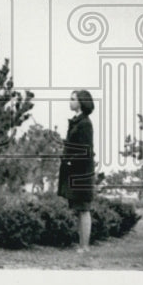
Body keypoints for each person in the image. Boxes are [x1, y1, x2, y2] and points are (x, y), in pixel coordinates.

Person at [58, 89, 95, 252]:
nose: (70, 101)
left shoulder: (85, 123)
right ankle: (82, 245)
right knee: (79, 209)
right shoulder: (77, 122)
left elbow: (86, 151)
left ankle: (85, 246)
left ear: (80, 102)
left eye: (73, 99)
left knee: (84, 209)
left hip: (82, 174)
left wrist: (71, 160)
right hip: (75, 172)